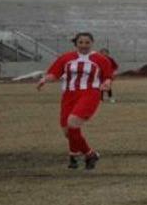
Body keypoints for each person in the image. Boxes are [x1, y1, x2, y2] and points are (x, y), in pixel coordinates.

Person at [36, 32, 114, 170]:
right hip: (69, 95)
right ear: (76, 43)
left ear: (92, 43)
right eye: (81, 42)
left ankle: (82, 155)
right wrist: (45, 79)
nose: (84, 45)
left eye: (87, 42)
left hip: (90, 94)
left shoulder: (100, 59)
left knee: (72, 122)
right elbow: (54, 74)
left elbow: (107, 76)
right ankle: (84, 155)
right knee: (68, 131)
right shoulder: (66, 58)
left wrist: (107, 83)